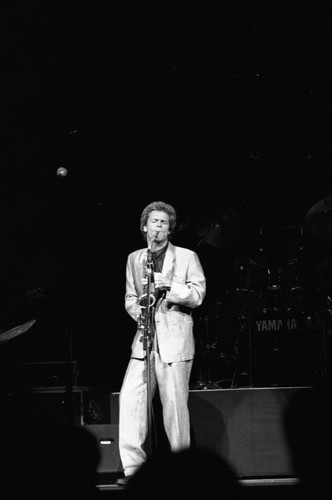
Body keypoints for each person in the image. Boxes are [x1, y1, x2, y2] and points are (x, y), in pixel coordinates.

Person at [117, 201, 206, 485]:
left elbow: (198, 294)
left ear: (170, 229)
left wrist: (170, 286)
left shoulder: (187, 256)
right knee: (131, 403)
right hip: (143, 341)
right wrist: (139, 310)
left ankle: (184, 472)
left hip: (175, 341)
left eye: (164, 223)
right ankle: (133, 472)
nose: (159, 226)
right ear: (144, 227)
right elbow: (130, 297)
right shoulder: (134, 258)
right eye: (154, 221)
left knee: (175, 410)